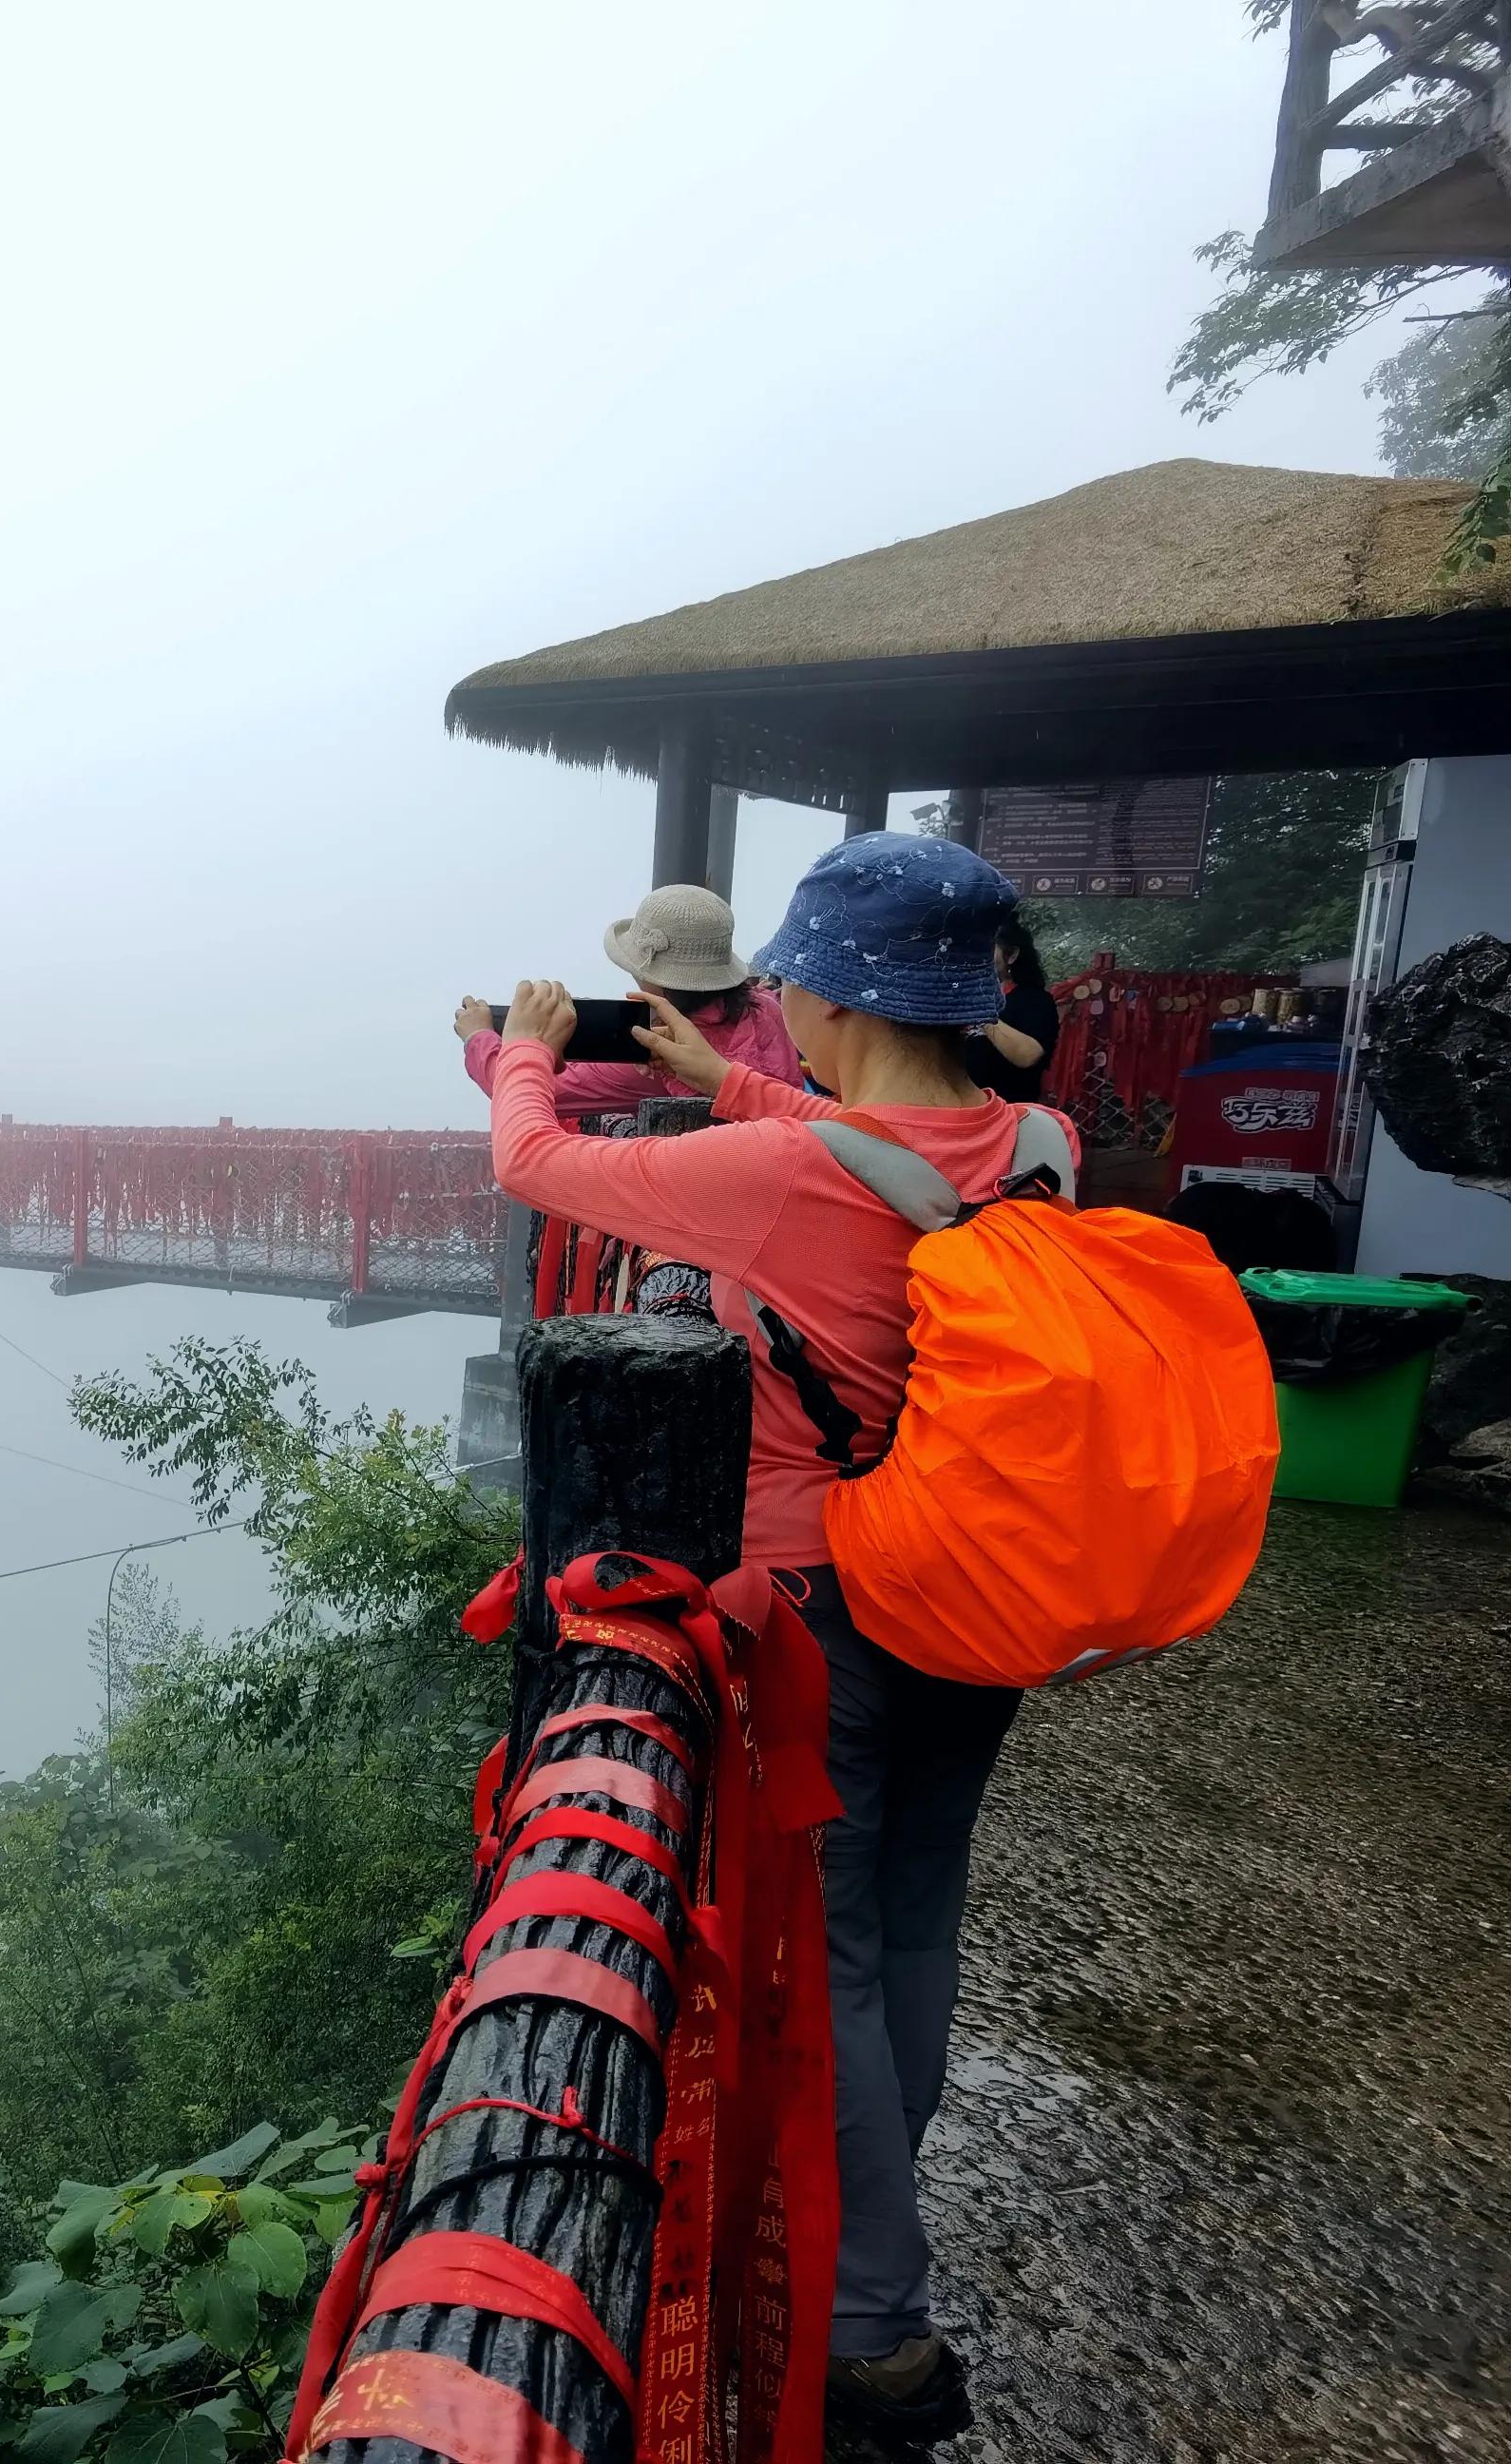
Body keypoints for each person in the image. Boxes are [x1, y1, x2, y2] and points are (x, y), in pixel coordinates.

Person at [476, 835, 1061, 2455]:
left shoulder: (786, 1177)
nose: (778, 1005)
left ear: (827, 988)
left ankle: (873, 2319)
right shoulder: (1040, 1138)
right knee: (922, 1908)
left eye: (791, 979)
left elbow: (543, 1168)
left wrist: (532, 1043)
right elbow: (890, 1156)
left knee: (846, 1954)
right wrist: (723, 1086)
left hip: (829, 1609)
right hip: (984, 1589)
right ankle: (878, 2218)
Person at [455, 882, 804, 1127]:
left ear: (647, 974)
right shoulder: (771, 1008)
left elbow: (532, 1091)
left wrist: (479, 1037)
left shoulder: (655, 1054)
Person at [964, 916, 1060, 1105]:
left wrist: (979, 1010)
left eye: (987, 948)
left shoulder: (1035, 1001)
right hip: (961, 1111)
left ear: (1012, 955)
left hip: (1010, 1113)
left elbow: (1027, 1055)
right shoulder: (956, 996)